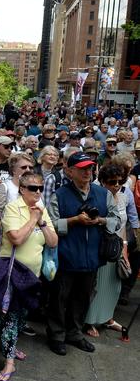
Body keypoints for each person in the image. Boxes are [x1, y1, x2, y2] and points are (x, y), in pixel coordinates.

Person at [47, 152, 121, 356]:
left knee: (83, 299)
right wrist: (73, 220)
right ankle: (56, 335)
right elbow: (50, 224)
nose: (88, 171)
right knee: (60, 299)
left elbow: (116, 221)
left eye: (90, 167)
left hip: (92, 258)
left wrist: (100, 221)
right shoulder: (59, 194)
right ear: (70, 171)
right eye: (82, 168)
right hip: (66, 256)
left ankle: (75, 333)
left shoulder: (102, 193)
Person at [0, 172, 57, 381]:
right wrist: (33, 218)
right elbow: (17, 238)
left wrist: (42, 222)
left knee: (21, 316)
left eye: (40, 188)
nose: (38, 192)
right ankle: (9, 361)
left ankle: (9, 343)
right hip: (13, 274)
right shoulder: (13, 208)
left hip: (33, 276)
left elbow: (53, 242)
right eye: (32, 188)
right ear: (22, 189)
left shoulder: (42, 209)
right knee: (11, 317)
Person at [84, 164, 129, 337]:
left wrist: (124, 248)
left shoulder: (124, 197)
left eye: (120, 182)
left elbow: (123, 225)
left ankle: (108, 318)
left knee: (114, 285)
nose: (117, 185)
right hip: (101, 246)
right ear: (102, 181)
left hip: (116, 246)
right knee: (98, 286)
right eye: (112, 182)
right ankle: (90, 321)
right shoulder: (97, 196)